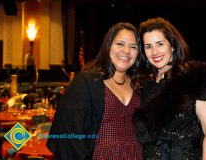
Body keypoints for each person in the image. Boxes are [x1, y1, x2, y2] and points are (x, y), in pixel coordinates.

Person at [47, 22, 143, 160]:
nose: (126, 51)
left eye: (133, 47)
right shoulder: (85, 83)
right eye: (120, 44)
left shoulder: (139, 85)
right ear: (108, 46)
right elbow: (71, 134)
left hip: (136, 155)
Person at [133, 17, 206, 160]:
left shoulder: (195, 77)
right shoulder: (143, 85)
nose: (154, 52)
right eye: (148, 46)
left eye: (160, 44)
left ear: (172, 46)